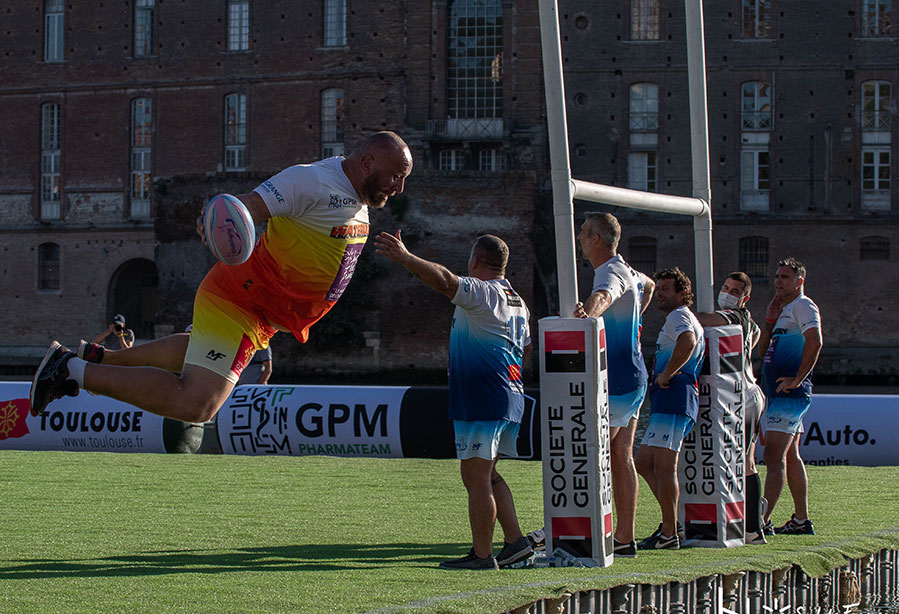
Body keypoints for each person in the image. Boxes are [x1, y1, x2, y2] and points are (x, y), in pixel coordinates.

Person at [29, 131, 413, 421]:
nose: (399, 187)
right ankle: (71, 371)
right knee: (198, 404)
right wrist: (216, 221)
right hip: (239, 300)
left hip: (262, 315)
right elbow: (246, 207)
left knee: (196, 349)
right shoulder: (311, 181)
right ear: (367, 163)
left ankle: (97, 358)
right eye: (396, 176)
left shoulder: (355, 195)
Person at [374, 231, 532, 570]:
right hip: (510, 396)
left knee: (475, 477)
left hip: (483, 396)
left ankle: (482, 555)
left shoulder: (483, 292)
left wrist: (405, 257)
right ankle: (516, 543)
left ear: (475, 261)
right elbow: (527, 349)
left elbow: (445, 281)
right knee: (488, 475)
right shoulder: (518, 300)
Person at [572, 212, 655, 558]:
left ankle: (592, 530)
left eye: (582, 232)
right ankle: (624, 535)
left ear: (595, 239)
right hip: (634, 375)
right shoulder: (630, 270)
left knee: (598, 455)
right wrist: (635, 320)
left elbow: (605, 295)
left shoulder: (609, 272)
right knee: (621, 457)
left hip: (618, 380)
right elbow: (647, 286)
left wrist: (586, 316)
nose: (578, 237)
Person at [695, 272, 767, 543]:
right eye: (725, 287)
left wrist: (684, 316)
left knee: (746, 461)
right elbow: (756, 335)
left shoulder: (737, 316)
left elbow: (705, 320)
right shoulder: (750, 323)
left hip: (746, 394)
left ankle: (752, 529)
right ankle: (746, 523)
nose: (727, 293)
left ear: (744, 299)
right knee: (739, 458)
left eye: (735, 291)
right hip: (738, 393)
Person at [635, 267, 704, 551]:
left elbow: (687, 341)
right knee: (642, 462)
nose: (660, 293)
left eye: (666, 289)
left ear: (682, 293)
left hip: (675, 396)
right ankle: (671, 523)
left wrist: (667, 374)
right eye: (659, 288)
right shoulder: (678, 318)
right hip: (668, 400)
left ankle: (669, 533)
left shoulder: (680, 317)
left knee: (665, 468)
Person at [755, 257, 823, 535]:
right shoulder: (784, 310)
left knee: (773, 456)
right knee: (791, 455)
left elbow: (815, 340)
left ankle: (761, 521)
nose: (778, 281)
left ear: (799, 281)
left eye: (784, 276)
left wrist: (799, 379)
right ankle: (801, 519)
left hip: (789, 394)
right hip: (777, 393)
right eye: (777, 276)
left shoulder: (804, 305)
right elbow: (761, 353)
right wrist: (769, 321)